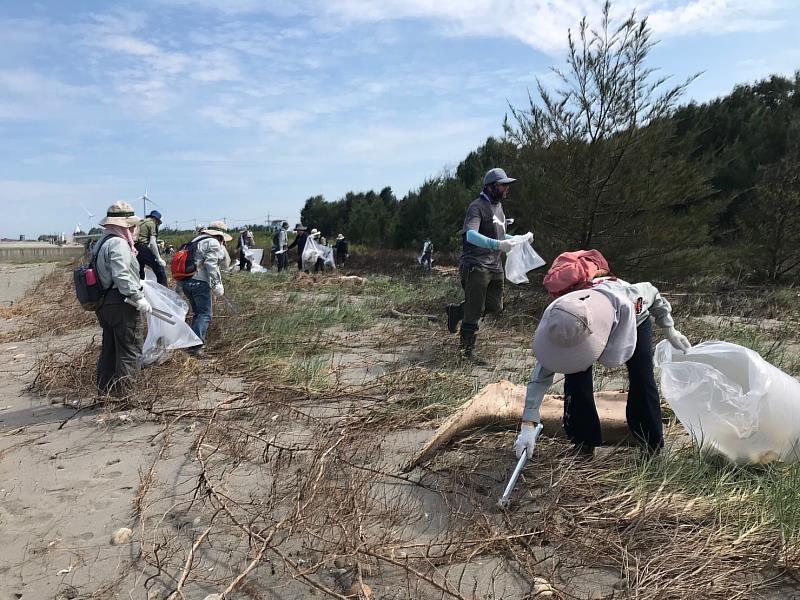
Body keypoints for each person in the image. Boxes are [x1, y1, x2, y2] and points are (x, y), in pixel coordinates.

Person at [514, 278, 692, 459]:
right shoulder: (563, 318)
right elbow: (542, 374)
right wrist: (528, 423)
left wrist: (669, 329)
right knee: (575, 379)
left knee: (642, 377)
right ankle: (584, 442)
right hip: (580, 325)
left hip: (635, 322)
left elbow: (653, 293)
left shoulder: (629, 298)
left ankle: (651, 444)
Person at [445, 167, 531, 359]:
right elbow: (471, 235)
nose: (506, 189)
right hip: (476, 265)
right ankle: (466, 352)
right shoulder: (476, 207)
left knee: (494, 306)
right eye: (503, 185)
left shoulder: (499, 207)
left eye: (507, 186)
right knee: (475, 310)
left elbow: (499, 235)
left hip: (495, 266)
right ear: (491, 186)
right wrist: (499, 244)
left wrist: (517, 239)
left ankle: (456, 311)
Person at [93, 201, 151, 396]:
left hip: (105, 304)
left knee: (110, 351)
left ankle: (105, 394)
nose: (134, 230)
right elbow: (121, 275)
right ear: (123, 225)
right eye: (131, 226)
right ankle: (126, 397)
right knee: (130, 350)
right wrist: (138, 297)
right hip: (122, 303)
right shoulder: (118, 243)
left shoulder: (102, 242)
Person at [180, 224, 232, 355]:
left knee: (198, 314)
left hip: (186, 282)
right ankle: (195, 347)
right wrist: (217, 284)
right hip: (200, 283)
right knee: (204, 314)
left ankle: (191, 344)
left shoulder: (195, 240)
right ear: (219, 235)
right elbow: (211, 264)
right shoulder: (213, 242)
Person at [135, 209, 167, 286]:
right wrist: (158, 258)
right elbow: (153, 243)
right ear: (156, 219)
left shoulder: (140, 222)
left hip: (134, 248)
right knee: (159, 269)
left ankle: (140, 289)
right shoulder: (151, 223)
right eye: (158, 223)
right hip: (142, 246)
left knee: (139, 271)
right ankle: (163, 291)